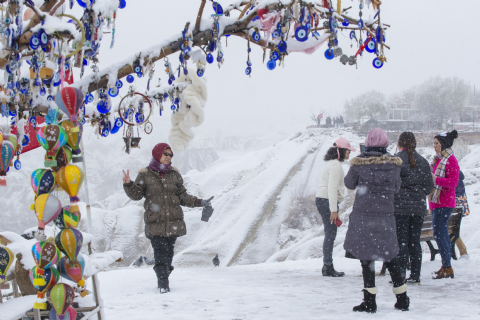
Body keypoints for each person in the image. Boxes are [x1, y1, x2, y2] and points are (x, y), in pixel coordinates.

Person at [122, 143, 214, 293]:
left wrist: (200, 202)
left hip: (173, 223)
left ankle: (163, 274)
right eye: (166, 154)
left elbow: (183, 197)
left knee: (168, 255)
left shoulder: (174, 175)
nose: (168, 157)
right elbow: (137, 195)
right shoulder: (145, 175)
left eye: (170, 155)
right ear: (157, 154)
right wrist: (129, 185)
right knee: (160, 253)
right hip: (155, 223)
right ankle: (163, 284)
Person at [344, 128, 409, 313]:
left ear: (368, 143)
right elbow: (396, 188)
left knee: (366, 258)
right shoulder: (394, 164)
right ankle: (402, 298)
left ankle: (369, 301)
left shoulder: (359, 163)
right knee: (390, 255)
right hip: (385, 216)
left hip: (364, 216)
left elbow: (349, 183)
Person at [393, 132, 434, 283]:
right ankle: (415, 275)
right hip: (418, 208)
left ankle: (401, 275)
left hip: (400, 208)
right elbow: (429, 187)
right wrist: (417, 194)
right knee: (414, 241)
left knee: (401, 240)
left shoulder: (396, 160)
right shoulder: (423, 161)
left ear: (400, 143)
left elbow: (391, 184)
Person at [315, 138, 356, 277]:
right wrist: (333, 210)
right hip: (327, 201)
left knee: (330, 233)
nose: (349, 154)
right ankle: (327, 266)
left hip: (323, 200)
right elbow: (332, 189)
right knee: (330, 234)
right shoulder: (336, 166)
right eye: (348, 151)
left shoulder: (330, 164)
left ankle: (327, 265)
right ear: (341, 151)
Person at [429, 130, 459, 280]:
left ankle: (447, 266)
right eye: (434, 143)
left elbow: (453, 182)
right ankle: (446, 266)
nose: (434, 146)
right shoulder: (439, 160)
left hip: (444, 203)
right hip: (437, 203)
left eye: (437, 143)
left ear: (444, 144)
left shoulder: (450, 160)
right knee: (441, 235)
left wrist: (436, 179)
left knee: (440, 235)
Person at [454, 170, 469, 259]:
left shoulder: (449, 176)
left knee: (450, 231)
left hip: (451, 206)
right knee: (453, 231)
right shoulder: (457, 175)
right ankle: (463, 251)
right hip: (459, 207)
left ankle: (463, 251)